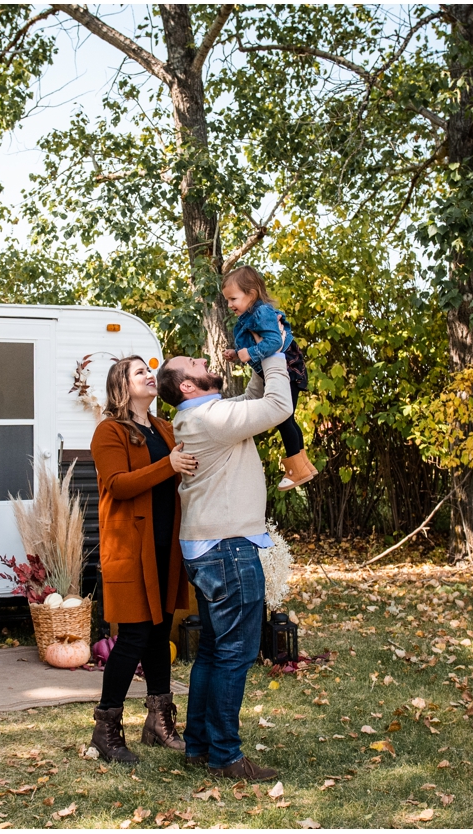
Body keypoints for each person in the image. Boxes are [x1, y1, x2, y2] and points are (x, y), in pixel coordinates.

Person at [155, 338, 293, 783]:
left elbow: (252, 402)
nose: (202, 359)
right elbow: (276, 406)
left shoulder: (199, 416)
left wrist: (254, 364)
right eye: (193, 363)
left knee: (213, 652)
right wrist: (275, 350)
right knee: (235, 653)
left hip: (207, 549)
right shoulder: (211, 418)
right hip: (229, 550)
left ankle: (199, 746)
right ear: (189, 386)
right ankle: (225, 757)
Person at [89, 356, 199, 763]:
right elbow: (118, 486)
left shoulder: (163, 428)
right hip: (130, 548)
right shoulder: (109, 431)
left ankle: (158, 721)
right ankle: (106, 729)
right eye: (139, 372)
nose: (149, 376)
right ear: (121, 385)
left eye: (149, 371)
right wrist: (167, 465)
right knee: (133, 636)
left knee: (158, 633)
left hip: (165, 544)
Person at [221, 266, 315, 490]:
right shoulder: (247, 317)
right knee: (287, 417)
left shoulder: (261, 313)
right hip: (279, 370)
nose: (230, 305)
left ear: (251, 294)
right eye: (227, 300)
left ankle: (295, 470)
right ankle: (303, 466)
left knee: (282, 416)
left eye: (233, 298)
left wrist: (250, 354)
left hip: (288, 369)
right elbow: (256, 345)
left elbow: (273, 343)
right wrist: (237, 355)